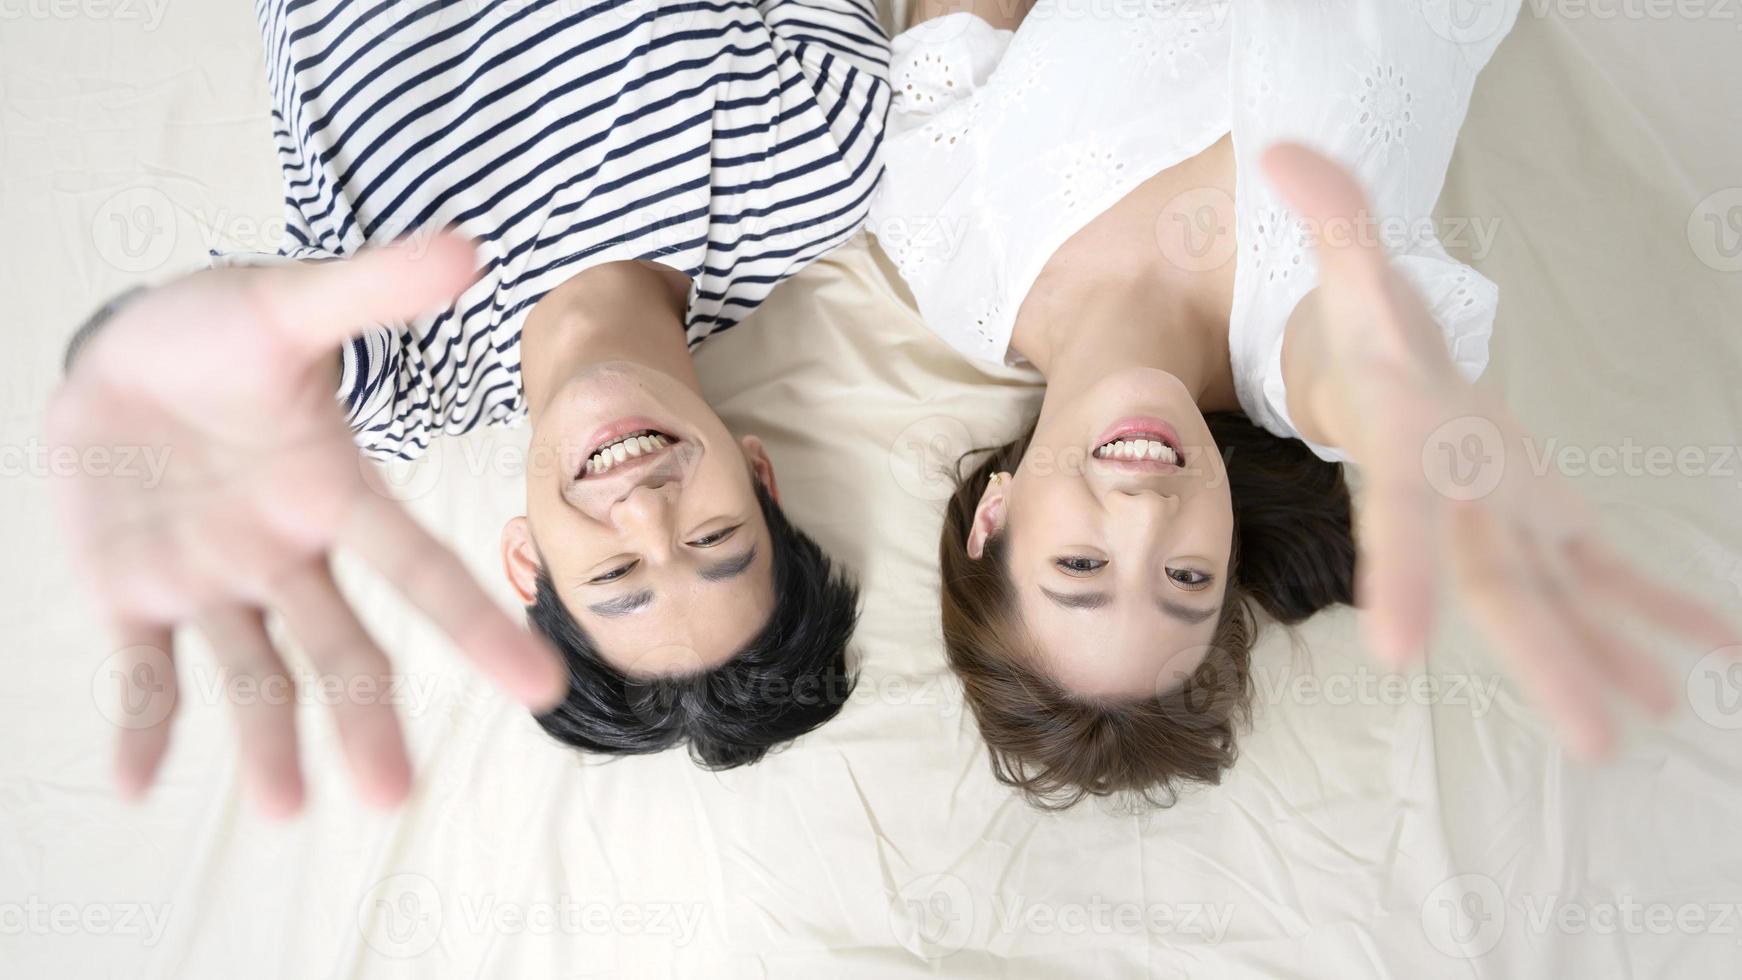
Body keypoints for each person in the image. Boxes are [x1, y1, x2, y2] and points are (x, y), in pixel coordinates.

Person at [868, 0, 1739, 808]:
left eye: (1082, 568)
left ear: (995, 516)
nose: (1143, 517)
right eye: (1187, 577)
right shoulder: (1296, 355)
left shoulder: (945, 245)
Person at [50, 0, 889, 816]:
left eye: (616, 574)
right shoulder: (819, 165)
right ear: (758, 477)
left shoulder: (396, 381)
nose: (643, 507)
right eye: (712, 538)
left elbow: (247, 350)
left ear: (527, 563)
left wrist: (138, 371)